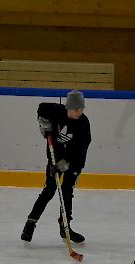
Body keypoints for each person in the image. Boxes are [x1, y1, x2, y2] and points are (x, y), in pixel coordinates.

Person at [21, 90, 91, 244]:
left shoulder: (83, 123)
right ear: (68, 107)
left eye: (82, 109)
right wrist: (43, 122)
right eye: (76, 108)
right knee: (49, 190)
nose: (80, 111)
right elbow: (41, 108)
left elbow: (81, 149)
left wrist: (65, 164)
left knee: (67, 192)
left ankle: (65, 227)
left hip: (74, 162)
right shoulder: (56, 111)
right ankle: (30, 223)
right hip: (55, 158)